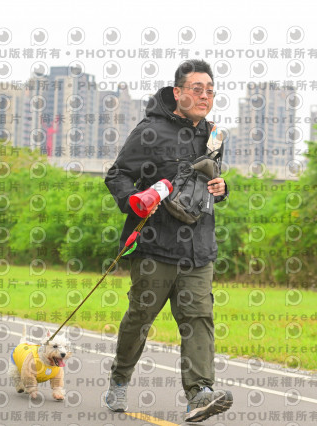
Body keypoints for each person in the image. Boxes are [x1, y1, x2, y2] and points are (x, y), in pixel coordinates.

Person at [103, 59, 232, 423]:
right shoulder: (150, 131)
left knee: (198, 318)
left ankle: (199, 393)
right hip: (155, 245)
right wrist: (133, 199)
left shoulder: (215, 136)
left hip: (199, 249)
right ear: (177, 92)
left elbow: (209, 186)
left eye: (210, 90)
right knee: (140, 317)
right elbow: (117, 175)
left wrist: (222, 189)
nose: (205, 96)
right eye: (197, 89)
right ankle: (119, 378)